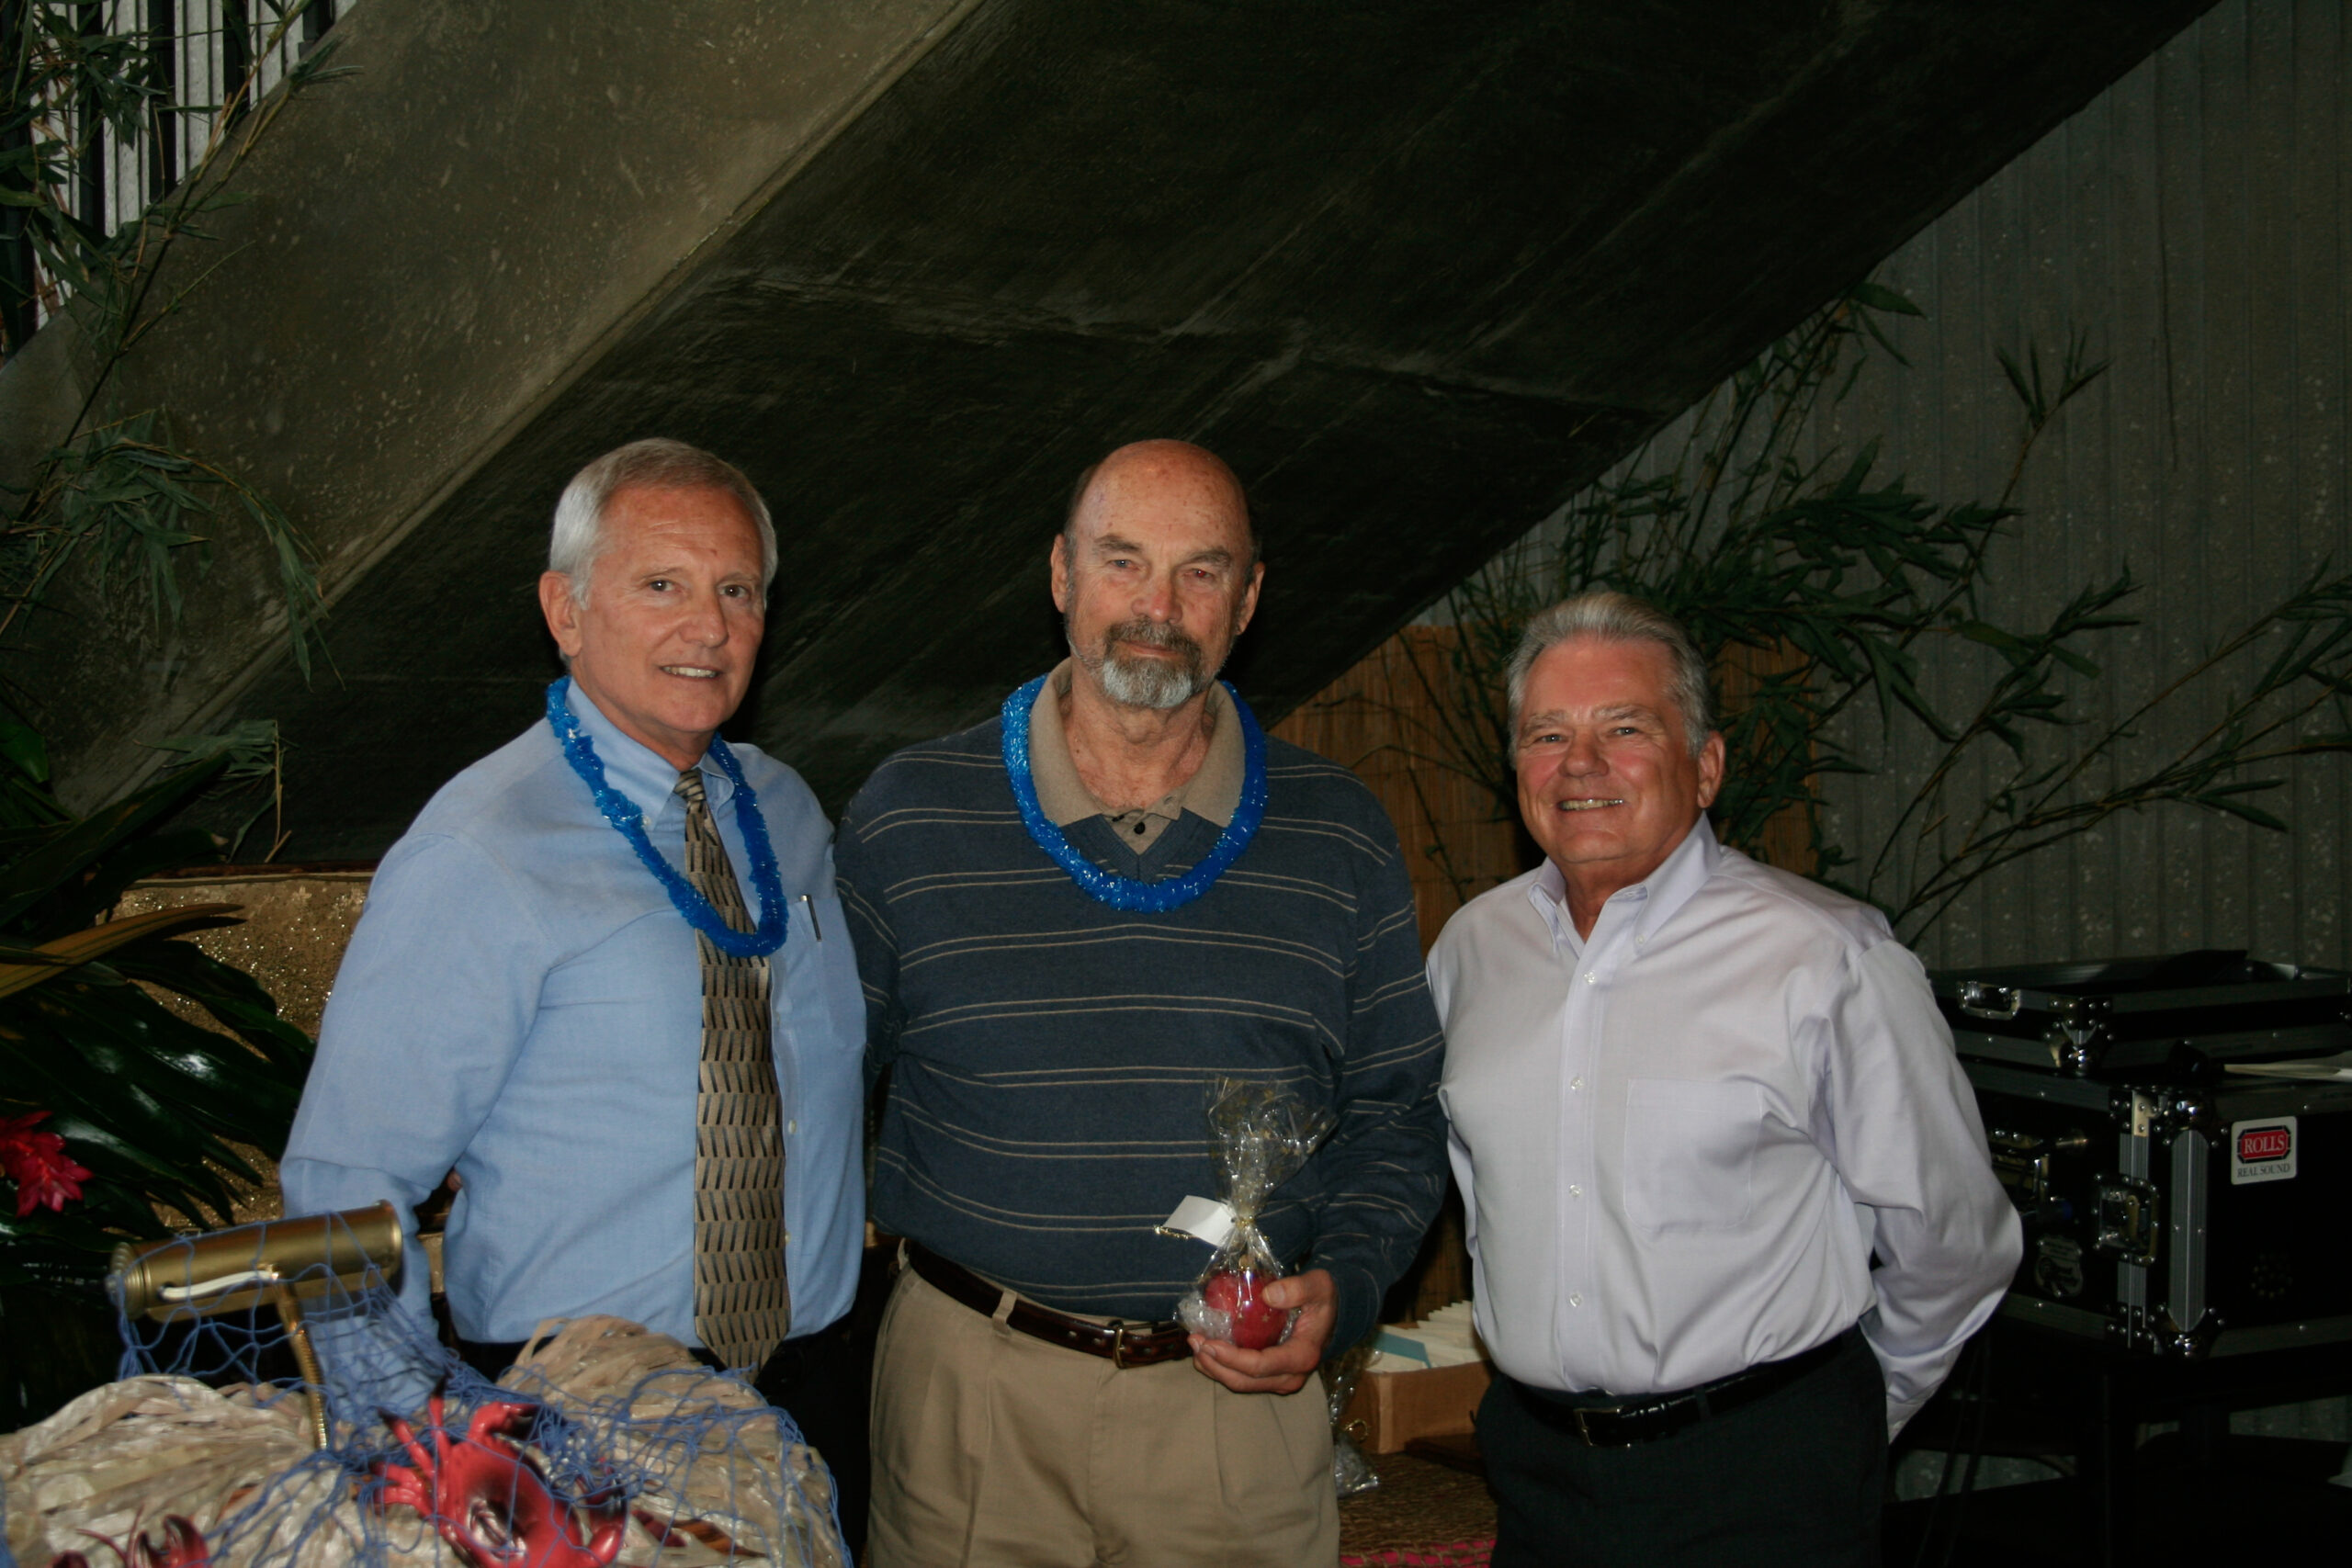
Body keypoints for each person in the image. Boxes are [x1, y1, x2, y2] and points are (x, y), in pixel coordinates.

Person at [834, 439, 1448, 1567]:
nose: (1156, 608)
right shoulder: (909, 819)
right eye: (1123, 562)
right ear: (1061, 576)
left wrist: (1347, 1287)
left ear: (1248, 601)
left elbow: (1398, 1113)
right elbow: (820, 1098)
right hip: (969, 1397)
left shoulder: (1337, 834)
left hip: (1234, 1409)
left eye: (1200, 572)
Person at [281, 438, 871, 1546]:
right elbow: (341, 1184)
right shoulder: (481, 847)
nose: (708, 628)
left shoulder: (788, 814)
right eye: (662, 585)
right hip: (577, 1424)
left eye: (736, 590)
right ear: (564, 609)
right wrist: (428, 1450)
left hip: (813, 1395)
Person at [1427, 591, 2021, 1568]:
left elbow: (1955, 1241)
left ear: (1704, 767)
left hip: (1760, 1480)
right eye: (1546, 735)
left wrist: (1845, 1419)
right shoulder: (1470, 950)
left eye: (1623, 728)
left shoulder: (1824, 958)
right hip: (1536, 1475)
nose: (1579, 764)